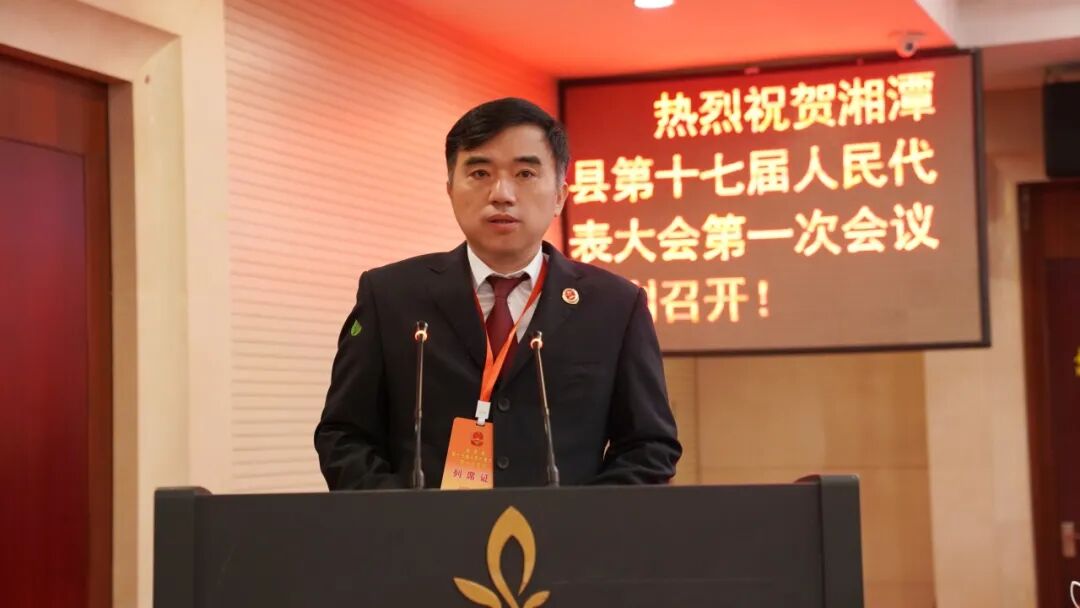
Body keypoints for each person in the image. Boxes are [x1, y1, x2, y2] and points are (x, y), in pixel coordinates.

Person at [314, 97, 681, 489]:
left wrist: (582, 519)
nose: (502, 193)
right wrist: (406, 515)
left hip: (568, 528)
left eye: (525, 174)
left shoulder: (615, 306)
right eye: (480, 173)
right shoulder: (389, 296)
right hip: (423, 528)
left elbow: (649, 446)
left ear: (560, 195)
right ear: (450, 189)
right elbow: (344, 436)